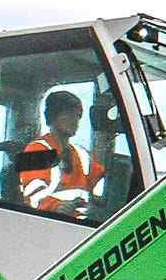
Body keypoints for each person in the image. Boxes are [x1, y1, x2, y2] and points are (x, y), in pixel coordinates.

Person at [13, 88, 105, 218]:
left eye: (78, 116)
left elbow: (102, 186)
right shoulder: (35, 149)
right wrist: (57, 206)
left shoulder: (82, 154)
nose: (75, 120)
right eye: (69, 114)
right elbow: (34, 193)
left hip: (84, 222)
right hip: (51, 222)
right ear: (53, 116)